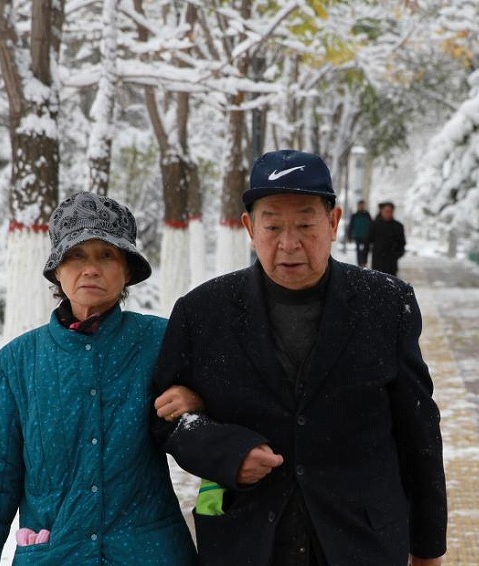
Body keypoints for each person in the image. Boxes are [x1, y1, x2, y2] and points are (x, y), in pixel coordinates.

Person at [152, 149, 447, 565]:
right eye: (272, 225)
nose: (289, 243)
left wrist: (429, 546)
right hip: (248, 542)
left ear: (333, 222)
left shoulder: (386, 304)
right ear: (249, 228)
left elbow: (419, 429)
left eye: (306, 224)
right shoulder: (203, 311)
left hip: (362, 541)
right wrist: (227, 452)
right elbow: (164, 421)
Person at [0, 192, 197, 565]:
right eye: (76, 255)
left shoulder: (161, 343)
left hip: (150, 554)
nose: (91, 269)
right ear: (56, 269)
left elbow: (236, 401)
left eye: (107, 255)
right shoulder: (14, 366)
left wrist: (199, 400)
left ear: (127, 270)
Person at [368, 200, 406, 276]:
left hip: (391, 262)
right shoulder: (375, 225)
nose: (388, 213)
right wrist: (363, 258)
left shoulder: (398, 226)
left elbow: (402, 242)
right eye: (386, 211)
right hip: (378, 261)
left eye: (390, 211)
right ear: (381, 211)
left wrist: (397, 254)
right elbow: (368, 241)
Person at [346, 198, 372, 267]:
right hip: (358, 237)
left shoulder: (367, 215)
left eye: (362, 205)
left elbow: (371, 226)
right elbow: (351, 227)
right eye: (360, 205)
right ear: (358, 206)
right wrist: (349, 236)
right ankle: (360, 265)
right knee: (359, 252)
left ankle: (364, 263)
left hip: (366, 237)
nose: (361, 206)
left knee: (365, 251)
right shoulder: (354, 216)